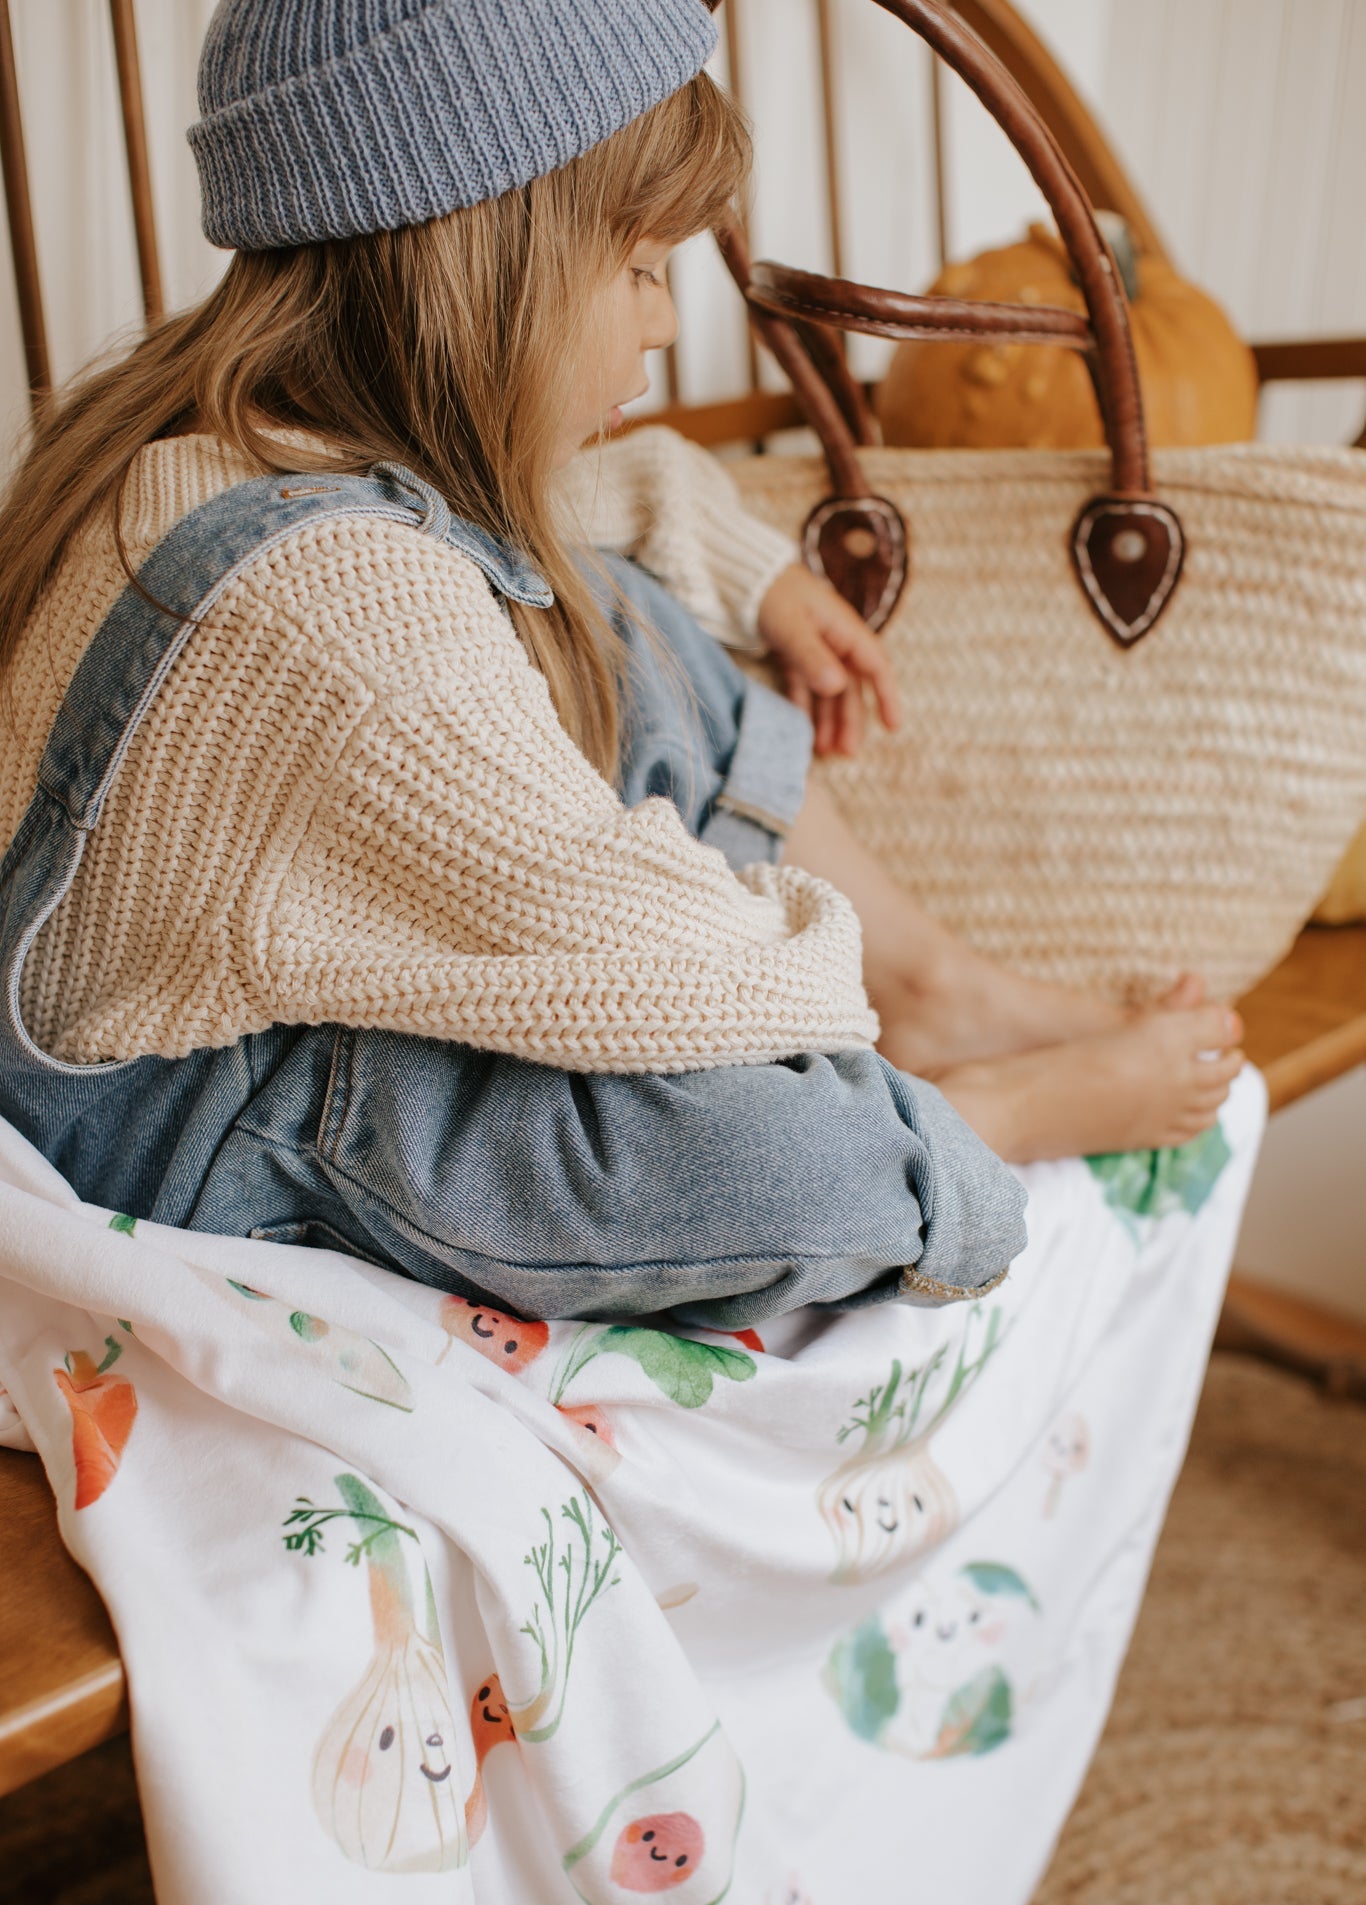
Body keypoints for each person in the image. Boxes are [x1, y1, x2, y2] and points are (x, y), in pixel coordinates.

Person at [0, 0, 1238, 1336]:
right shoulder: (344, 616)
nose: (660, 325)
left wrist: (742, 565)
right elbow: (673, 971)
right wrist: (823, 1001)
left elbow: (564, 509)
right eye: (643, 268)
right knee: (754, 1152)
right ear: (480, 263)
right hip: (191, 1118)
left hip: (242, 1010)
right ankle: (968, 1101)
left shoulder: (216, 441)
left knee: (617, 614)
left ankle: (935, 982)